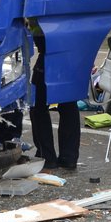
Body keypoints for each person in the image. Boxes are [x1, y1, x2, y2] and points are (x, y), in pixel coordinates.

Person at [29, 24, 81, 171]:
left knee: (38, 106)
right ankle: (69, 158)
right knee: (68, 104)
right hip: (70, 50)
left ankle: (47, 157)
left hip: (48, 49)